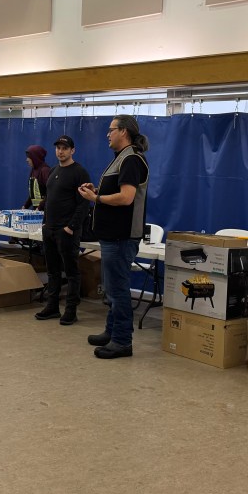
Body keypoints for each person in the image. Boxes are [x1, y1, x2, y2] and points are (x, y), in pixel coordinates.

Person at [78, 115, 150, 359]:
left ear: (124, 132)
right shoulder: (121, 159)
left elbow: (127, 198)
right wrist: (97, 191)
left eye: (111, 130)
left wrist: (95, 199)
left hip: (122, 236)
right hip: (112, 236)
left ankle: (122, 341)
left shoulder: (131, 159)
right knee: (111, 288)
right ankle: (111, 332)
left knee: (118, 290)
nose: (107, 134)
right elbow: (117, 192)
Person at [34, 135, 91, 326]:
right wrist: (44, 223)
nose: (61, 151)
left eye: (65, 148)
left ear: (72, 150)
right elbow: (49, 200)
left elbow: (84, 205)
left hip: (66, 231)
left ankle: (71, 310)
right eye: (58, 147)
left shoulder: (79, 173)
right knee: (53, 271)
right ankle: (52, 307)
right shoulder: (53, 171)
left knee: (71, 271)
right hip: (49, 229)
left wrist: (70, 227)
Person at [23, 145, 52, 210]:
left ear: (35, 158)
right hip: (37, 210)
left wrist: (40, 207)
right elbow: (34, 193)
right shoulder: (33, 170)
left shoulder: (45, 170)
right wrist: (25, 206)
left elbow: (51, 192)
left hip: (46, 212)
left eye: (29, 157)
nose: (27, 160)